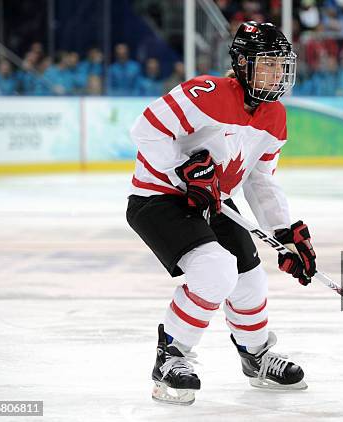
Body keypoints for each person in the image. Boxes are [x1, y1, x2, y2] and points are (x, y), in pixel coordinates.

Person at [126, 21, 316, 405]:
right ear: (243, 64)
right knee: (215, 270)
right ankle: (171, 356)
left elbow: (260, 179)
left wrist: (284, 232)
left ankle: (256, 355)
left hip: (213, 201)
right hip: (159, 197)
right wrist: (183, 168)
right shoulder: (206, 92)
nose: (278, 73)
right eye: (268, 64)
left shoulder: (274, 116)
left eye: (282, 65)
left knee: (249, 277)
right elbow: (146, 129)